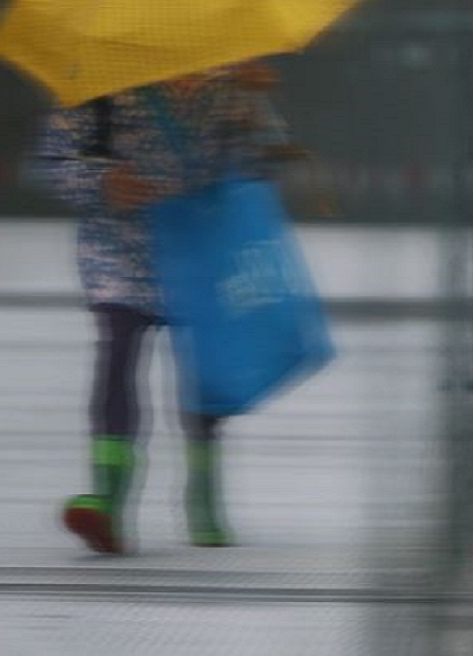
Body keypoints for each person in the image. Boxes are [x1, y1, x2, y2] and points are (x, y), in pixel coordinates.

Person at [37, 61, 289, 554]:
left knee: (203, 373)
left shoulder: (227, 87)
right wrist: (102, 183)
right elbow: (57, 161)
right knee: (118, 355)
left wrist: (256, 105)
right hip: (119, 254)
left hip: (198, 253)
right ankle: (108, 497)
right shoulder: (95, 83)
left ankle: (203, 494)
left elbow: (265, 165)